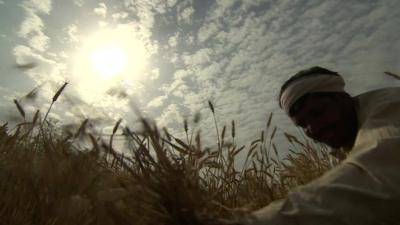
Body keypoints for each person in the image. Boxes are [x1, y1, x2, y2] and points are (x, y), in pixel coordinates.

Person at [239, 66, 400, 225]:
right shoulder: (351, 138)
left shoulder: (390, 105)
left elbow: (377, 179)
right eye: (302, 125)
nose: (313, 129)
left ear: (342, 97)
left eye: (318, 112)